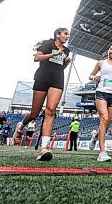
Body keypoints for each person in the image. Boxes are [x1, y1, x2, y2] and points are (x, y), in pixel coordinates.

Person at [12, 28, 71, 161]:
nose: (67, 36)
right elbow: (36, 58)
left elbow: (60, 67)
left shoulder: (66, 50)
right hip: (42, 78)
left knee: (51, 110)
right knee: (35, 113)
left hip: (57, 80)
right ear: (57, 35)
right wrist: (53, 54)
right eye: (65, 34)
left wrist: (66, 63)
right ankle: (20, 126)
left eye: (68, 34)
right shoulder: (48, 44)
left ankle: (44, 148)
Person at [88, 43, 112, 162]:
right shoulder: (101, 63)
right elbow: (91, 75)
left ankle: (95, 136)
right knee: (104, 118)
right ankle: (102, 152)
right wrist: (94, 78)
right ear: (108, 50)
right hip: (101, 92)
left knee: (107, 123)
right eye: (111, 49)